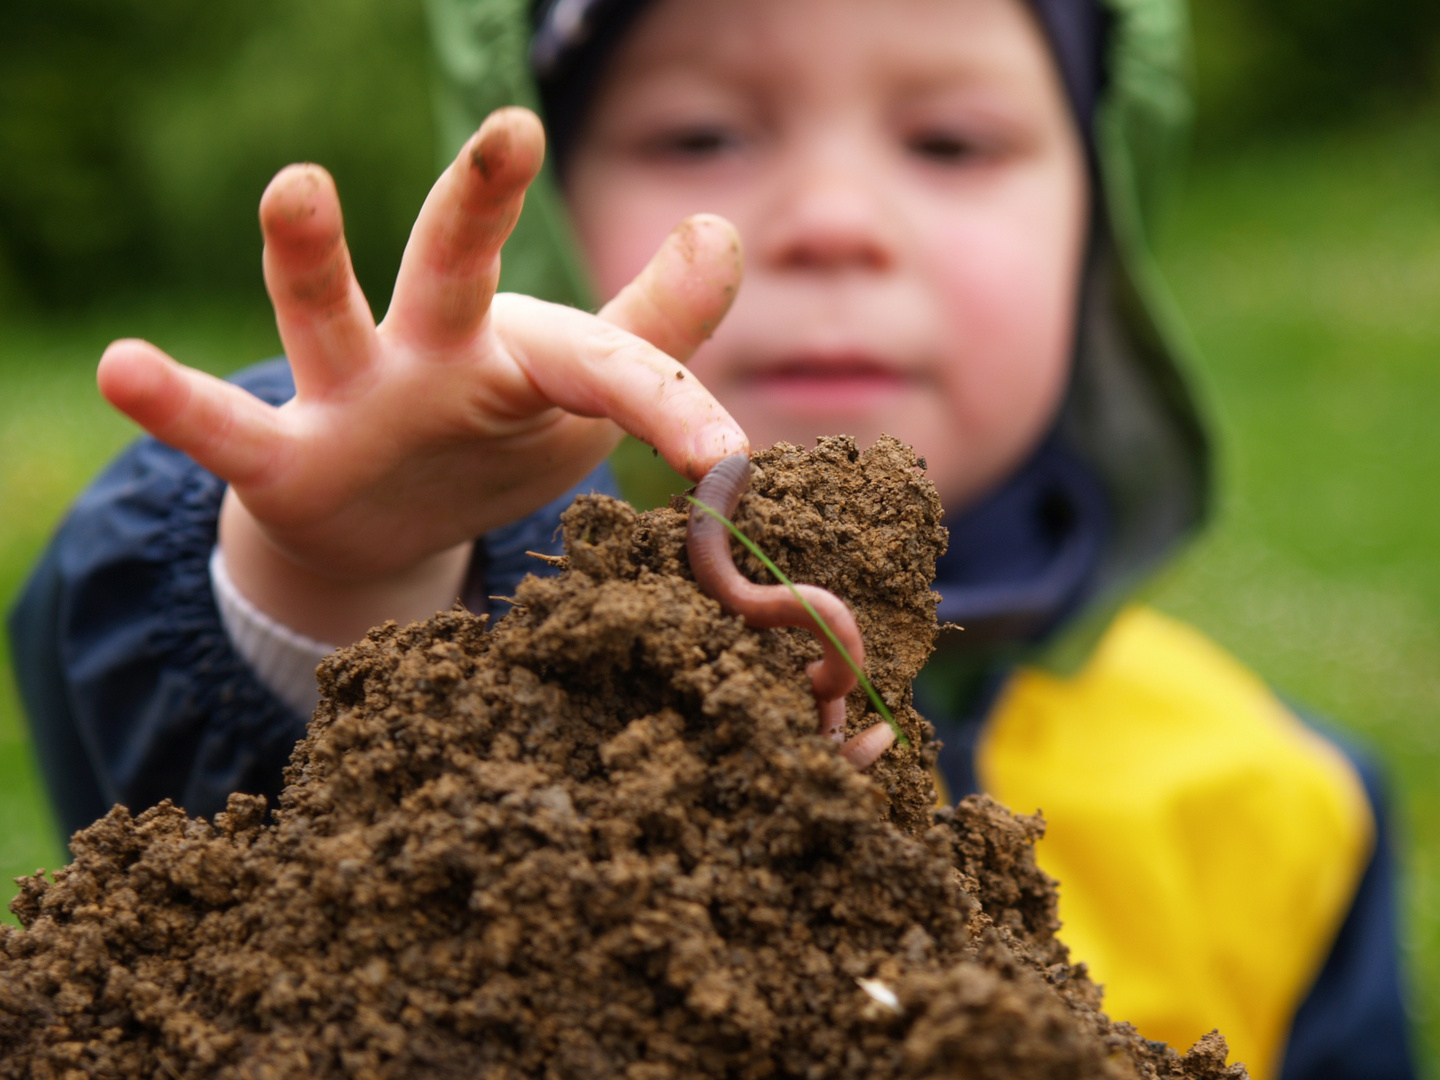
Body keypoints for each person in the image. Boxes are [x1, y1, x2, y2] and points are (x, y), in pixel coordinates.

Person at [7, 0, 1414, 1076]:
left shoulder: (1275, 809)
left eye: (950, 142)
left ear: (1103, 216)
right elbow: (223, 828)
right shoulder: (490, 671)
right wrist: (343, 568)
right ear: (551, 217)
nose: (833, 223)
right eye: (702, 137)